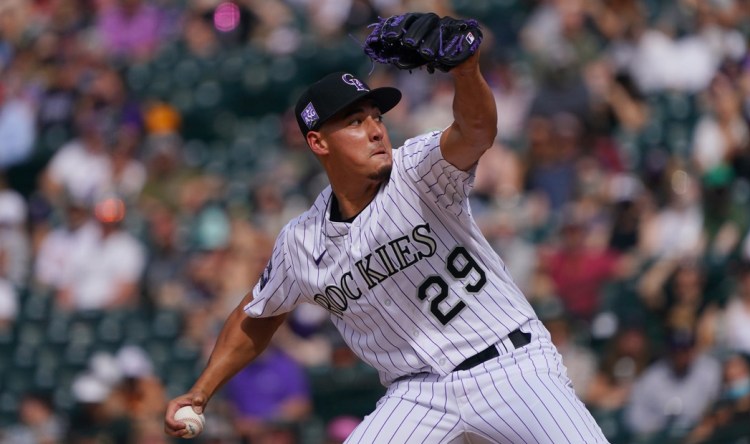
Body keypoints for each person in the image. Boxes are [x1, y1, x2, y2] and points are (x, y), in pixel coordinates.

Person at [164, 41, 607, 443]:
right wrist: (201, 392)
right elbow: (256, 317)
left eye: (377, 117)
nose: (376, 130)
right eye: (356, 122)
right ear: (318, 142)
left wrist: (466, 70)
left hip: (508, 366)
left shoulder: (416, 169)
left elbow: (475, 131)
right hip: (416, 395)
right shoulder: (301, 241)